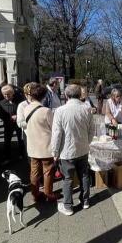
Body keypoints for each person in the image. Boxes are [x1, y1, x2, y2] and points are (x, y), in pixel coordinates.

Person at [52, 84, 94, 216]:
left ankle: (68, 206)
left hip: (67, 151)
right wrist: (87, 142)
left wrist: (55, 152)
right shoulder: (87, 109)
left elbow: (57, 134)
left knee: (68, 178)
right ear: (79, 94)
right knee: (84, 175)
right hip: (82, 148)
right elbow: (92, 129)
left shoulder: (60, 111)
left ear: (66, 95)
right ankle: (85, 200)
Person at [24, 83, 58, 202]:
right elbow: (54, 129)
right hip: (45, 147)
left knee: (34, 172)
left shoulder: (26, 108)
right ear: (43, 96)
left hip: (32, 147)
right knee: (48, 172)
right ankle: (48, 194)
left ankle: (35, 194)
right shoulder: (46, 111)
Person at [0, 84, 25, 165]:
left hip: (19, 123)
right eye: (4, 94)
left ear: (12, 93)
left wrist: (17, 116)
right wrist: (9, 118)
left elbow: (24, 111)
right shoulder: (1, 103)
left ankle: (21, 154)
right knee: (7, 141)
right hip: (8, 124)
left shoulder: (20, 101)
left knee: (21, 139)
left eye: (8, 94)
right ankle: (7, 157)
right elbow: (1, 115)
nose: (6, 96)